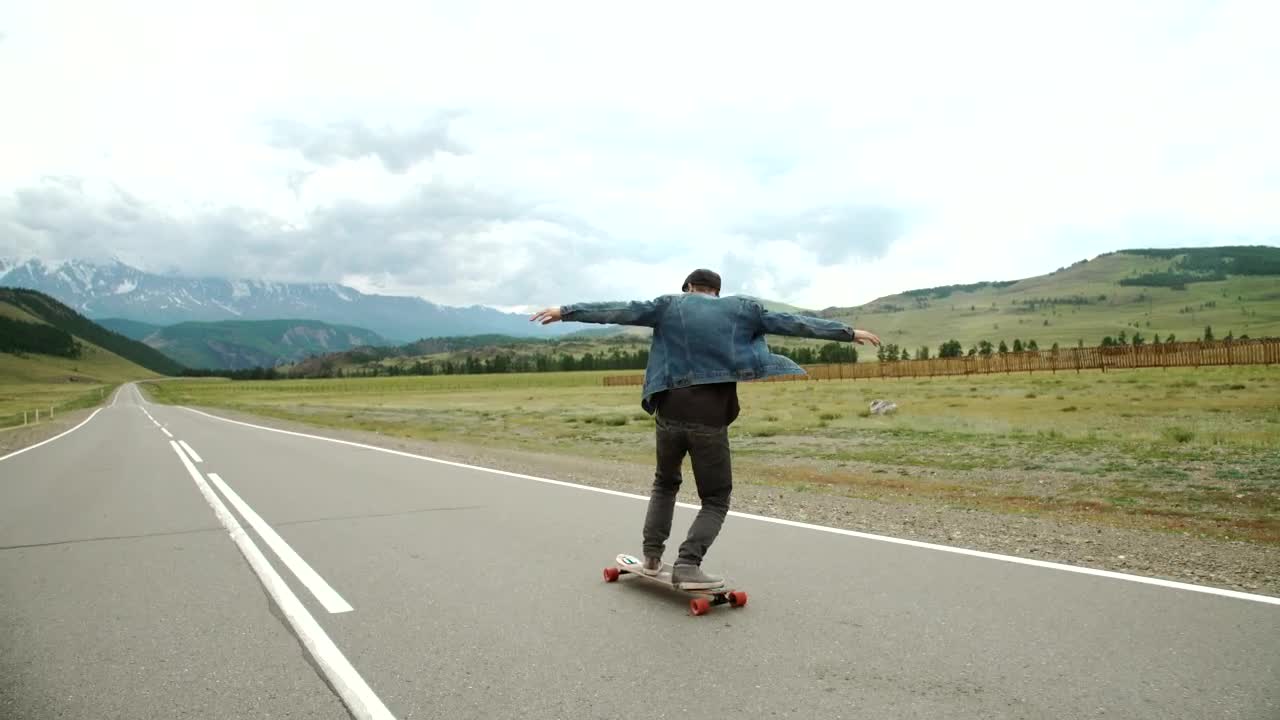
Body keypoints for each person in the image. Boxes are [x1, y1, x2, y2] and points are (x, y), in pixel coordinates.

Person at [531, 269, 880, 590]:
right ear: (717, 292)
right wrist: (848, 334)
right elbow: (795, 324)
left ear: (688, 289)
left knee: (664, 484)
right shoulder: (741, 309)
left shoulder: (669, 306)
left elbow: (620, 310)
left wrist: (566, 310)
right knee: (714, 498)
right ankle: (687, 564)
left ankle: (652, 557)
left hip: (668, 411)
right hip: (711, 417)